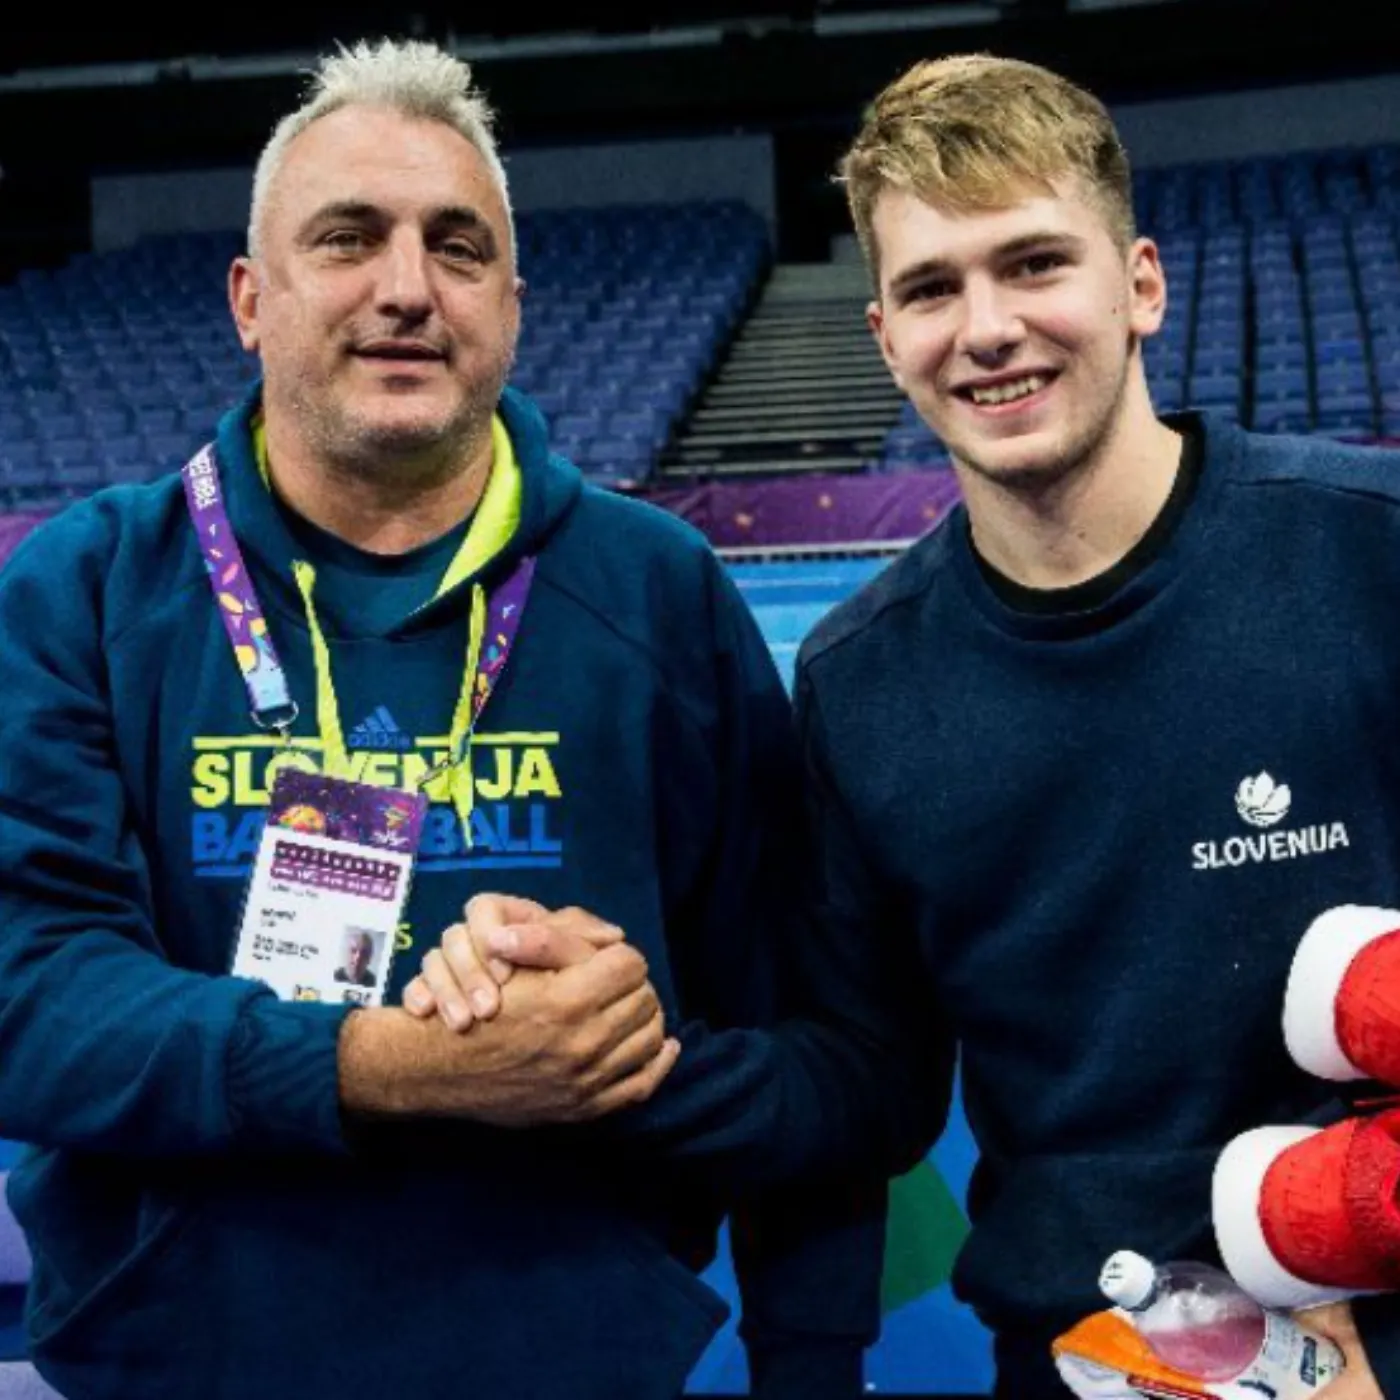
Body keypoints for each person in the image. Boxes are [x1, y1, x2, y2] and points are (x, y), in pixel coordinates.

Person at [0, 38, 916, 1400]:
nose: (407, 288)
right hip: (181, 1367)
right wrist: (391, 1066)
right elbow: (29, 998)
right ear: (251, 299)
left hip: (575, 1365)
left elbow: (815, 1050)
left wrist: (803, 1355)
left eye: (458, 247)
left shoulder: (657, 596)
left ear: (512, 305)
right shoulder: (86, 588)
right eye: (347, 238)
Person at [802, 52, 1400, 1398]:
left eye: (1033, 263)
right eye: (932, 288)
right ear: (887, 338)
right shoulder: (860, 686)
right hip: (1080, 1356)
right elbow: (862, 1086)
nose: (988, 327)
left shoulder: (1370, 556)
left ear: (1140, 285)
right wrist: (630, 1059)